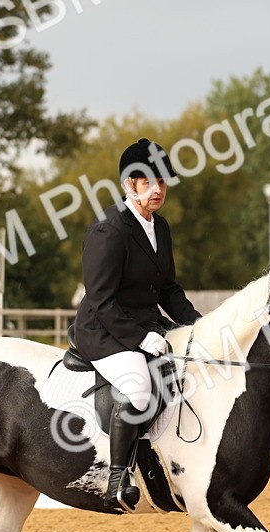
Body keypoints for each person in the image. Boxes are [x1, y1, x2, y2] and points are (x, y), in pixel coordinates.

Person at [72, 138, 202, 512]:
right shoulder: (108, 230)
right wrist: (139, 337)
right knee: (139, 385)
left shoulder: (159, 227)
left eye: (162, 181)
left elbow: (168, 288)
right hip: (104, 330)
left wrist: (196, 324)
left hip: (147, 325)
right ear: (129, 184)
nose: (158, 189)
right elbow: (100, 299)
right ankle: (117, 476)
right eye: (148, 182)